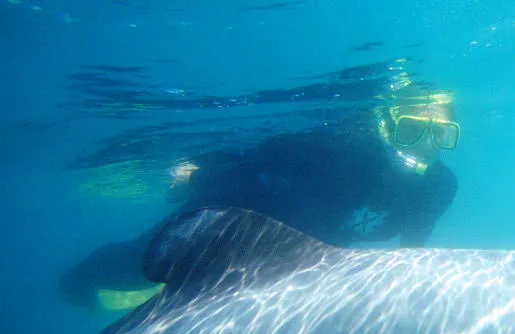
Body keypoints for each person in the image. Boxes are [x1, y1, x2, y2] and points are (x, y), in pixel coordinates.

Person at [59, 85, 461, 312]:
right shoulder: (338, 143)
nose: (426, 145)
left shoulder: (438, 187)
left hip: (298, 255)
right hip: (235, 211)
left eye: (442, 134)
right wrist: (198, 176)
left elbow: (409, 252)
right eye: (412, 130)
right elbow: (262, 158)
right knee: (127, 264)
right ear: (386, 122)